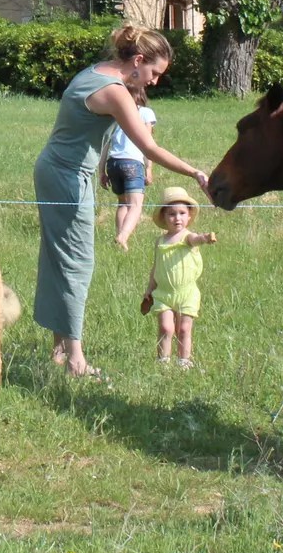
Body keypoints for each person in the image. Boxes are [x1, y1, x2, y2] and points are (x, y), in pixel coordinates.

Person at [34, 25, 207, 378]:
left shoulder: (95, 71)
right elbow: (149, 148)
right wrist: (195, 174)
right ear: (138, 61)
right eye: (154, 73)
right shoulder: (115, 92)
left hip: (55, 170)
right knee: (77, 263)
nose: (154, 82)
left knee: (59, 258)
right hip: (66, 178)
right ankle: (75, 361)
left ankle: (59, 349)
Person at [139, 185, 217, 368]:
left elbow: (195, 239)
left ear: (189, 216)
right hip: (163, 293)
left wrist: (204, 238)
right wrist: (150, 289)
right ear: (164, 217)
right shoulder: (160, 241)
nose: (177, 218)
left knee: (183, 328)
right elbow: (156, 267)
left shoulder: (187, 237)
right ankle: (163, 361)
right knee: (166, 327)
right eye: (172, 214)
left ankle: (184, 361)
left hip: (186, 293)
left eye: (182, 213)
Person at [100, 85, 155, 250]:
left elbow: (105, 144)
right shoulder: (145, 113)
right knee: (136, 205)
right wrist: (149, 168)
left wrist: (101, 170)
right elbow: (147, 142)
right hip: (132, 163)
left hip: (113, 162)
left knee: (122, 203)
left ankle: (120, 238)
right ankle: (123, 237)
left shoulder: (114, 116)